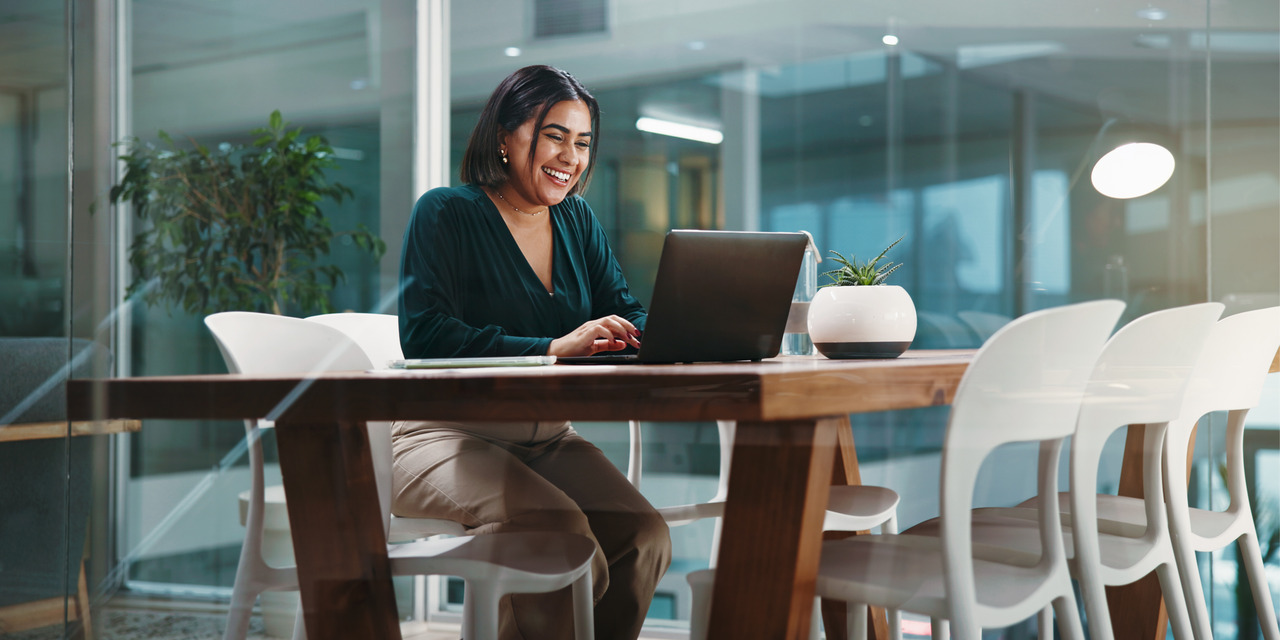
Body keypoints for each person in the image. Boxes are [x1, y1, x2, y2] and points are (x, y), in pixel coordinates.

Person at [393, 64, 671, 640]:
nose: (571, 157)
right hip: (441, 434)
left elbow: (623, 305)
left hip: (546, 438)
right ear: (505, 134)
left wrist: (664, 332)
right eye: (554, 136)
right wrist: (552, 347)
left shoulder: (576, 219)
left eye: (583, 142)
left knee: (642, 536)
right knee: (555, 529)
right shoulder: (447, 212)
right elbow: (426, 335)